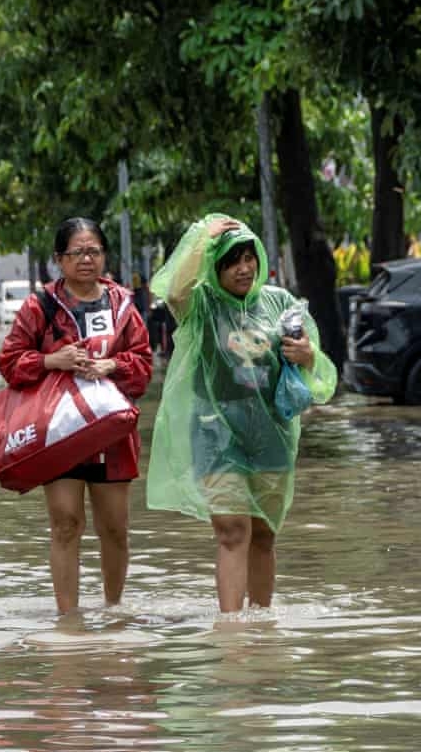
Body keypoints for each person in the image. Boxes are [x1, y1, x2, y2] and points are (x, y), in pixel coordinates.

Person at [146, 215, 336, 613]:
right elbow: (174, 289)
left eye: (249, 258)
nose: (244, 268)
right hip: (215, 435)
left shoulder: (280, 303)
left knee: (264, 535)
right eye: (232, 261)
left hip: (272, 435)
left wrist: (308, 355)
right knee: (233, 532)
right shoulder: (201, 306)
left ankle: (262, 625)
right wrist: (203, 237)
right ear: (216, 268)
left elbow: (316, 369)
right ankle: (231, 630)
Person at [0, 218, 153, 615]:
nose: (86, 259)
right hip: (60, 432)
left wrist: (111, 366)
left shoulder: (124, 305)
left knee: (115, 528)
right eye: (77, 252)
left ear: (104, 255)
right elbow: (10, 362)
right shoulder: (40, 306)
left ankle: (114, 611)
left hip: (112, 433)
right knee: (65, 524)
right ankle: (68, 621)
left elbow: (143, 365)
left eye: (94, 251)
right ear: (59, 260)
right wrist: (52, 359)